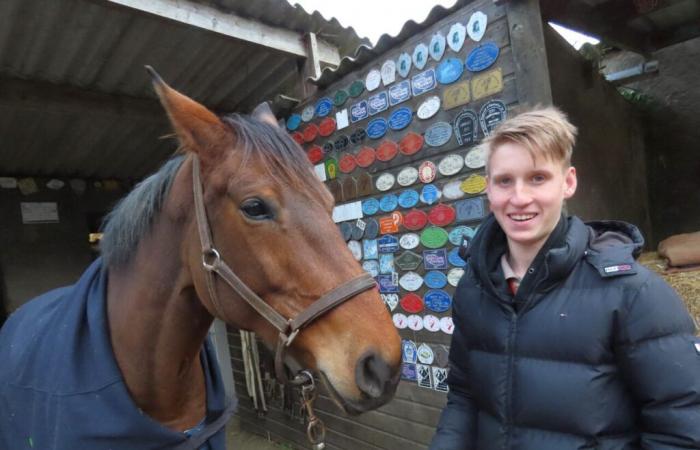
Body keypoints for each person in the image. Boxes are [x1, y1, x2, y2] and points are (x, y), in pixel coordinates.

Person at [430, 107, 700, 449]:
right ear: (488, 189)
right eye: (504, 181)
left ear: (568, 182)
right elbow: (464, 397)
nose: (519, 198)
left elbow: (681, 429)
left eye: (538, 178)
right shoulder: (473, 289)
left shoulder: (633, 294)